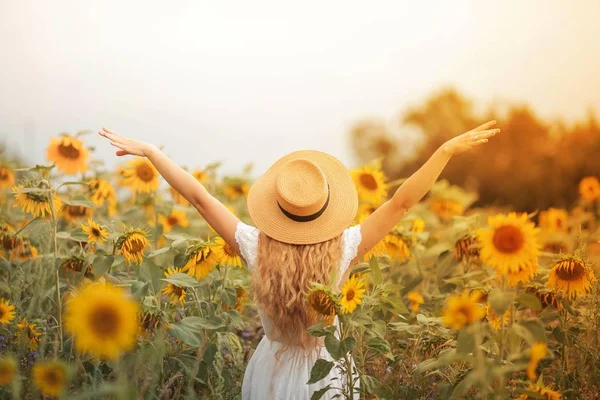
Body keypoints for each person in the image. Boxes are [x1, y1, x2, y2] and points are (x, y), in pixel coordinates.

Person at [98, 120, 499, 399]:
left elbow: (200, 200)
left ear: (276, 205)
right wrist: (445, 150)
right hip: (327, 375)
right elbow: (402, 202)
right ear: (326, 208)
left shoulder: (254, 246)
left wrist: (152, 153)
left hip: (269, 372)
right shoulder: (344, 247)